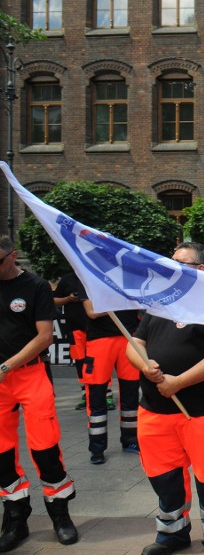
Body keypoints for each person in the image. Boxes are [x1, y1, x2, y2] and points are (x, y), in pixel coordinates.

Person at [126, 242, 204, 555]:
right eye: (170, 261)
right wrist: (144, 364)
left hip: (202, 412)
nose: (170, 267)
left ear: (200, 270)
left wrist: (179, 383)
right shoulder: (160, 303)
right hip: (155, 410)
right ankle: (172, 533)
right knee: (164, 476)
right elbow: (133, 343)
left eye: (180, 263)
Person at [0, 235, 78, 550]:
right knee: (2, 454)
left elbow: (44, 336)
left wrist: (5, 367)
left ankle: (60, 515)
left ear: (12, 256)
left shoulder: (35, 286)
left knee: (45, 448)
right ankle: (15, 517)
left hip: (29, 374)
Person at [80, 293, 140, 464]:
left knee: (131, 394)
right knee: (97, 396)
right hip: (100, 341)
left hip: (128, 338)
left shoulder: (126, 278)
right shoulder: (89, 278)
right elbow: (91, 311)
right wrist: (122, 301)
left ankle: (130, 441)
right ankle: (97, 448)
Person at [53, 271, 88, 410]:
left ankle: (106, 395)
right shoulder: (67, 279)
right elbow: (54, 300)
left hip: (97, 329)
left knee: (99, 361)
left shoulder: (94, 276)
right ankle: (85, 394)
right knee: (80, 361)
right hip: (74, 328)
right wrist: (68, 299)